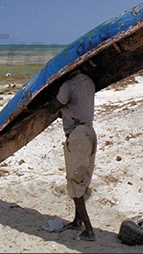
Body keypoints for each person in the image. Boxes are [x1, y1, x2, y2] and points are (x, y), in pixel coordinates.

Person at [40, 70, 97, 241]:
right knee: (82, 179)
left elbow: (53, 108)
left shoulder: (68, 85)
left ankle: (89, 230)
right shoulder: (89, 81)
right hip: (90, 133)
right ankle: (77, 221)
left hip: (77, 136)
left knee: (74, 182)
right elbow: (75, 105)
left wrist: (35, 107)